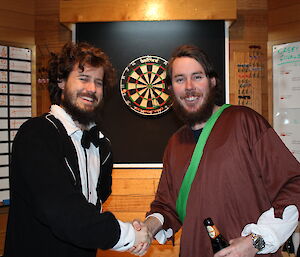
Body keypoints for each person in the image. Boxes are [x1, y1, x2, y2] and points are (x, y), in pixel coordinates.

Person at [130, 44, 300, 257]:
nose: (189, 86)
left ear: (212, 81)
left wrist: (256, 241)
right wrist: (148, 227)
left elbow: (294, 184)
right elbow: (166, 207)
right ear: (171, 88)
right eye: (180, 79)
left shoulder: (244, 121)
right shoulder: (175, 144)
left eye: (197, 77)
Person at [4, 42, 150, 257]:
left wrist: (128, 231)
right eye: (83, 78)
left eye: (98, 82)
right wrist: (129, 235)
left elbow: (93, 209)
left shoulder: (102, 146)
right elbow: (65, 213)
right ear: (61, 81)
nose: (91, 89)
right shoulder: (37, 135)